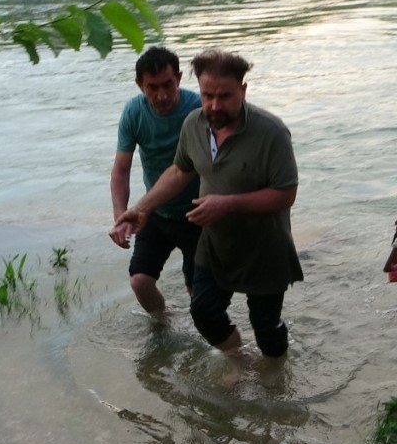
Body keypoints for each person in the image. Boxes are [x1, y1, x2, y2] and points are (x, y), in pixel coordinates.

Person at [112, 50, 302, 362]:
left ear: (242, 90)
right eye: (207, 95)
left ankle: (276, 374)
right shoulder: (193, 124)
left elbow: (285, 194)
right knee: (203, 311)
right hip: (213, 243)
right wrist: (141, 208)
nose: (214, 105)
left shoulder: (271, 132)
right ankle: (238, 359)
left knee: (266, 330)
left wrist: (226, 204)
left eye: (225, 96)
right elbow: (178, 172)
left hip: (264, 247)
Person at [109, 46, 203, 315]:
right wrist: (121, 216)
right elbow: (121, 170)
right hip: (155, 212)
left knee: (197, 292)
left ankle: (202, 332)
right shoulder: (134, 112)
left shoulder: (197, 108)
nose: (161, 95)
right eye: (152, 88)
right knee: (140, 282)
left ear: (179, 78)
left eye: (168, 85)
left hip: (197, 212)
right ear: (140, 85)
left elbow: (188, 169)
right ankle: (162, 324)